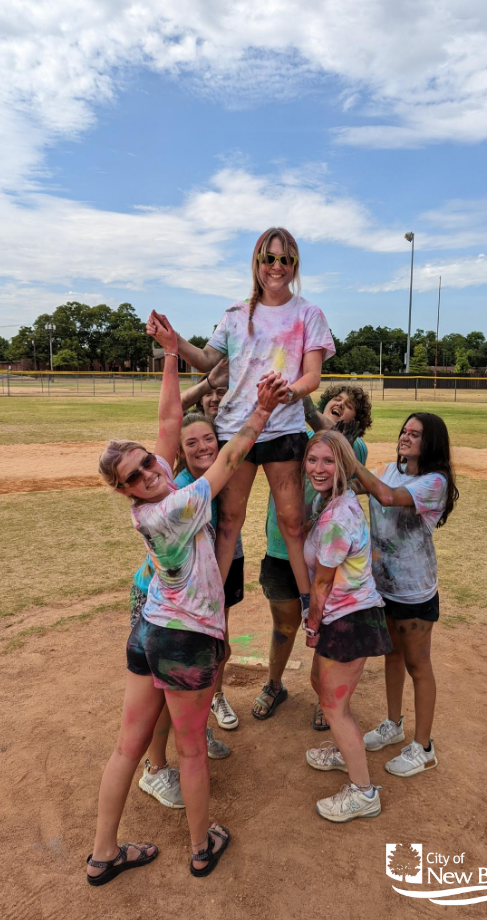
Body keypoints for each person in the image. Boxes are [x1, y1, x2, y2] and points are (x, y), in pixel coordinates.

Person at [84, 311, 282, 884]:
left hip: (149, 630)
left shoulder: (154, 494)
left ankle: (103, 854)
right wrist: (262, 411)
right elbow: (226, 460)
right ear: (125, 492)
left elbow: (170, 418)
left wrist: (172, 354)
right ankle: (201, 847)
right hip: (184, 638)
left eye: (148, 460)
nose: (151, 469)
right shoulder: (176, 505)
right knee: (192, 751)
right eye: (137, 474)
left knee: (128, 746)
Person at [169, 228, 335, 629]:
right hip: (236, 428)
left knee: (292, 522)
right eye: (268, 258)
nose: (276, 267)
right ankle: (213, 604)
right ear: (257, 263)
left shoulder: (308, 314)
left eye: (285, 260)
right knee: (228, 521)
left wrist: (288, 392)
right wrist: (173, 339)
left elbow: (312, 376)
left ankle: (309, 604)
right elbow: (208, 359)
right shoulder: (235, 314)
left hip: (283, 428)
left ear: (294, 266)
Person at [135, 409, 238, 812]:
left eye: (208, 438)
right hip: (161, 603)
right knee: (162, 692)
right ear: (179, 450)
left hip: (198, 600)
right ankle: (156, 768)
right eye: (190, 442)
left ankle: (194, 728)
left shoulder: (217, 484)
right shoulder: (180, 488)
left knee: (197, 675)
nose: (202, 447)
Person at [252, 384, 374, 726]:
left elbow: (333, 439)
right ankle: (274, 684)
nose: (340, 404)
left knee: (325, 622)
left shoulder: (354, 447)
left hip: (323, 557)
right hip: (280, 548)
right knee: (284, 623)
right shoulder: (300, 436)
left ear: (357, 420)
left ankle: (327, 695)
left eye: (349, 405)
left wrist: (307, 406)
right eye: (336, 399)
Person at [354, 413, 458, 777]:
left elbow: (385, 495)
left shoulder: (434, 482)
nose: (405, 437)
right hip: (382, 585)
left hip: (414, 591)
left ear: (430, 444)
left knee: (418, 664)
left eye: (415, 434)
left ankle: (424, 747)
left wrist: (351, 460)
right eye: (404, 431)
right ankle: (393, 724)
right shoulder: (387, 468)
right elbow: (358, 485)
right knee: (392, 657)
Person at [296, 430, 393, 822]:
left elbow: (321, 582)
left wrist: (313, 626)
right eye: (312, 459)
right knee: (322, 687)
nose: (318, 468)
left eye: (328, 461)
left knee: (335, 707)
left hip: (348, 618)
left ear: (344, 465)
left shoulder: (337, 516)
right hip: (344, 614)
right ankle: (343, 748)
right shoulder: (330, 500)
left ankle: (363, 793)